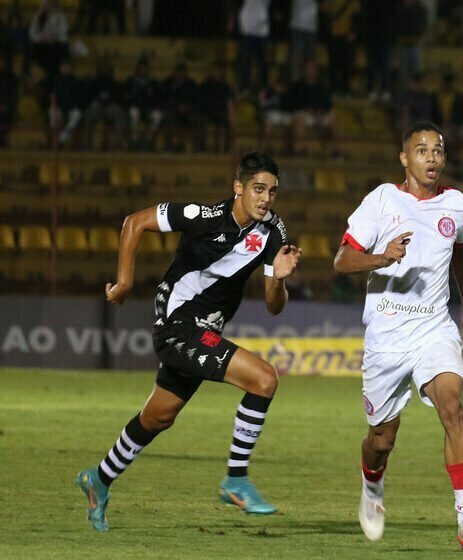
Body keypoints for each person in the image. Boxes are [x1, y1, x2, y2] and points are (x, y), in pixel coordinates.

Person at [75, 152, 300, 531]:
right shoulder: (203, 217)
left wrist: (278, 278)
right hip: (176, 324)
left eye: (272, 191)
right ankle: (236, 480)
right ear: (238, 188)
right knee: (264, 378)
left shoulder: (273, 233)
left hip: (207, 331)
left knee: (158, 416)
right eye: (258, 189)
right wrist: (126, 282)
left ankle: (98, 479)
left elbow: (274, 307)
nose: (265, 198)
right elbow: (134, 223)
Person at [333, 121, 463, 549]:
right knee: (381, 439)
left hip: (433, 327)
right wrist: (381, 257)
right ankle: (372, 484)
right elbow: (342, 260)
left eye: (438, 150)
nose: (432, 158)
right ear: (404, 159)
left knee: (452, 403)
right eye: (422, 151)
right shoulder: (381, 200)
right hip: (386, 336)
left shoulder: (458, 205)